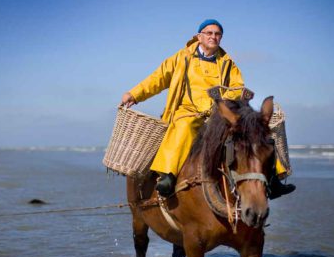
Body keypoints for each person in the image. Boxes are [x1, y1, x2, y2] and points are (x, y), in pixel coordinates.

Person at [121, 19, 295, 198]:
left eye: (217, 34)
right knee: (183, 128)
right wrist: (134, 94)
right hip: (187, 111)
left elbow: (237, 87)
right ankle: (168, 175)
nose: (213, 36)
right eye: (209, 33)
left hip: (218, 113)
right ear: (199, 36)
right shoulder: (181, 57)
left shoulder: (228, 63)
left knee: (256, 133)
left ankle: (273, 180)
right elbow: (157, 78)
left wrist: (237, 96)